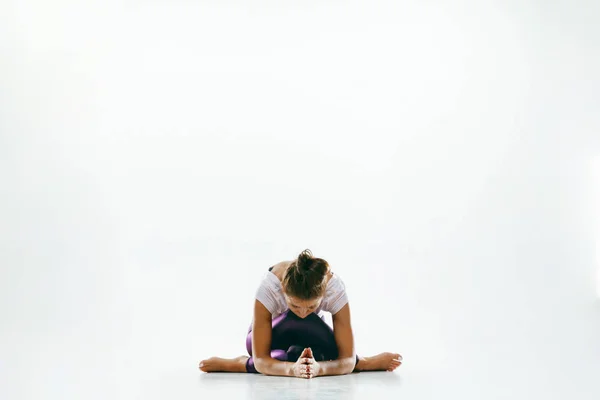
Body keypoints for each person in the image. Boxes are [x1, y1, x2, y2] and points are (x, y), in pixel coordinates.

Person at [198, 249, 402, 378]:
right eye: (295, 306)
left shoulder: (335, 289)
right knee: (293, 335)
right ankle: (238, 363)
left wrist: (317, 368)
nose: (303, 312)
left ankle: (358, 362)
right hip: (271, 336)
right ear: (283, 292)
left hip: (310, 338)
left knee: (307, 355)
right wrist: (291, 370)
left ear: (323, 294)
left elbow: (344, 358)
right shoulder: (269, 287)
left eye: (312, 307)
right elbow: (261, 358)